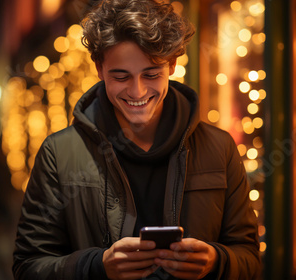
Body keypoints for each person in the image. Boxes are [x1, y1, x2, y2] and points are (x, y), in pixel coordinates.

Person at [13, 0, 261, 279]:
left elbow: (250, 257)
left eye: (151, 74)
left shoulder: (219, 147)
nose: (137, 91)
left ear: (172, 65)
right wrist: (97, 267)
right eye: (121, 77)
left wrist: (217, 261)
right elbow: (28, 266)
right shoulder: (58, 153)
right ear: (99, 68)